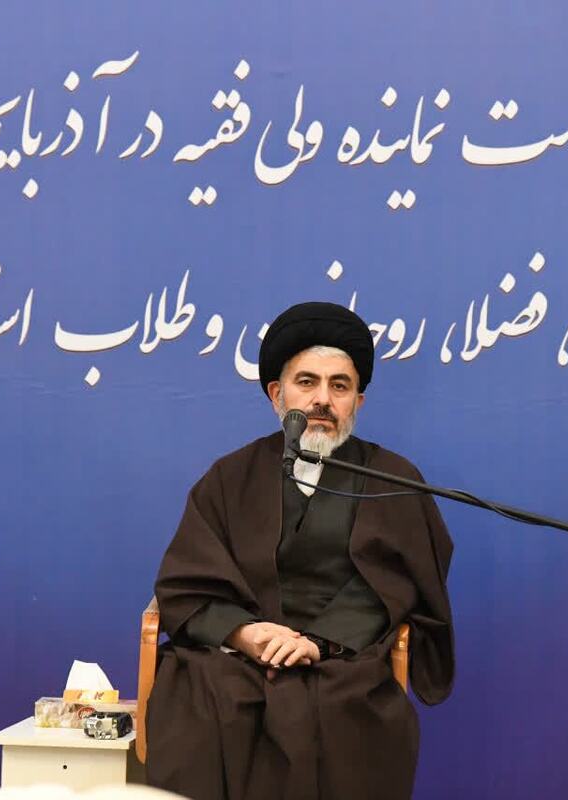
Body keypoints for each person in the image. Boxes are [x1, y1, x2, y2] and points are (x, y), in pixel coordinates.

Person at [146, 302, 454, 800]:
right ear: (277, 394)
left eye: (340, 386)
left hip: (343, 661)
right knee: (206, 693)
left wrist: (320, 641)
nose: (322, 400)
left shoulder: (392, 479)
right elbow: (188, 581)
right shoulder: (230, 477)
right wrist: (245, 633)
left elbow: (399, 580)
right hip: (239, 659)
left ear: (357, 401)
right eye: (306, 382)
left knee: (345, 710)